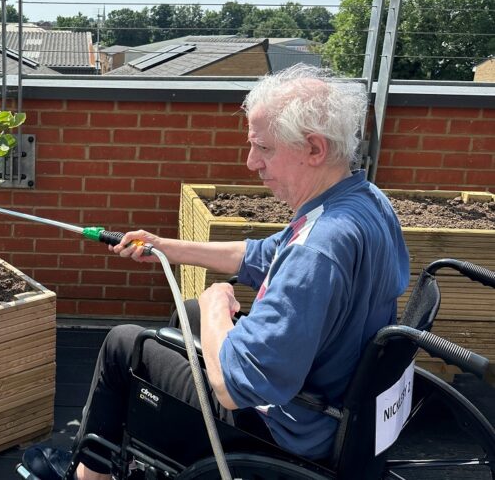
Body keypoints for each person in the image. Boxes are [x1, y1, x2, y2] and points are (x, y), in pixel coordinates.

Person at [22, 64, 410, 480]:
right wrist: (165, 247)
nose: (251, 162)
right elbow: (261, 254)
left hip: (288, 428)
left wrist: (215, 305)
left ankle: (88, 474)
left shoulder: (318, 249)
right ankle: (139, 445)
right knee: (187, 313)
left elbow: (232, 386)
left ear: (314, 149)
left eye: (264, 148)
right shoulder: (362, 201)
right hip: (334, 398)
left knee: (124, 345)